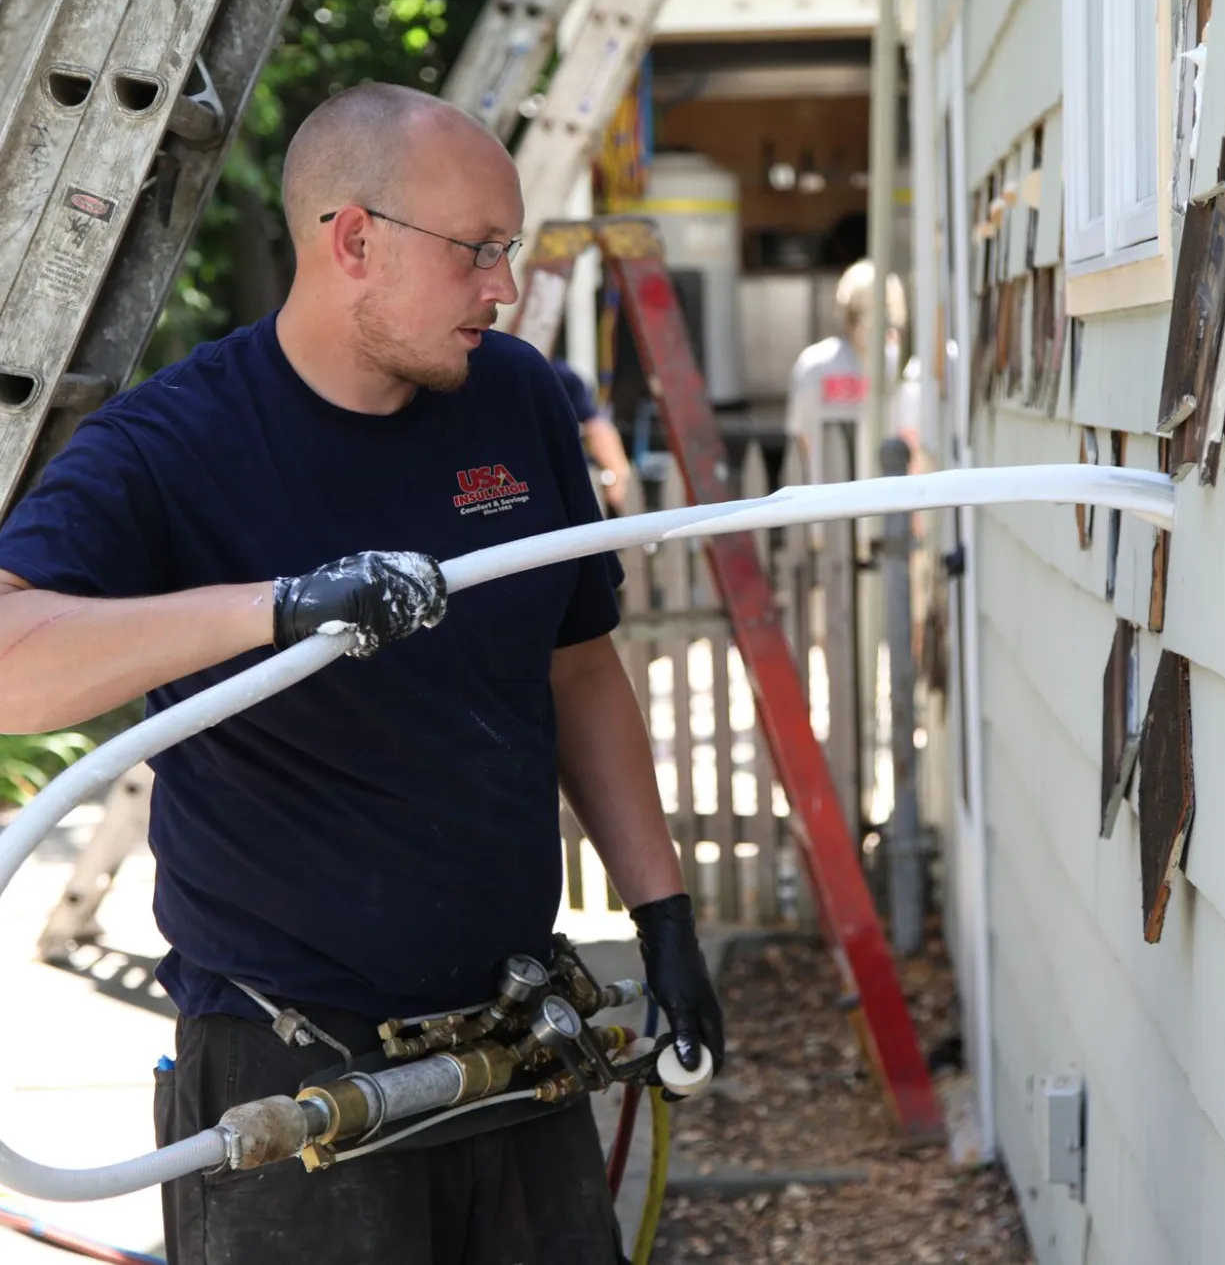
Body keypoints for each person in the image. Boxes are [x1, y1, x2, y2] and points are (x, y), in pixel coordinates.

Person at [0, 85, 723, 1265]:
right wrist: (280, 609)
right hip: (295, 1074)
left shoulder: (519, 400)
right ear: (352, 240)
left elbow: (579, 669)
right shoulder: (174, 447)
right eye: (477, 250)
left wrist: (664, 918)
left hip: (516, 1045)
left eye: (510, 248)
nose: (505, 285)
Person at [784, 257, 912, 483]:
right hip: (882, 496)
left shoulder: (814, 364)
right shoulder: (899, 369)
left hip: (827, 501)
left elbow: (803, 439)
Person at [551, 356, 634, 514]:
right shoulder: (551, 372)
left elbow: (596, 427)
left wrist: (616, 474)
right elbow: (596, 426)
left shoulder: (558, 375)